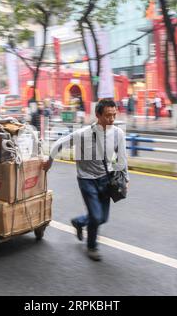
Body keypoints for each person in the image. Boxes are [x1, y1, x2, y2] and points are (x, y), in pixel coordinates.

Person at [42, 99, 130, 261]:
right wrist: (50, 161)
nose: (112, 119)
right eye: (108, 115)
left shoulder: (118, 133)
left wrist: (126, 178)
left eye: (114, 115)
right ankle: (92, 247)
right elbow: (59, 143)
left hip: (106, 179)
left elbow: (122, 159)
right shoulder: (83, 134)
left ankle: (79, 222)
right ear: (97, 115)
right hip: (86, 180)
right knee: (96, 217)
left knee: (103, 218)